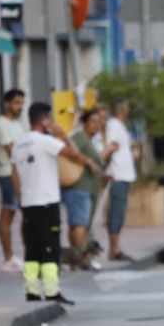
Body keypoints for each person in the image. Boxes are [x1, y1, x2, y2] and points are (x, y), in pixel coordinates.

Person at [12, 102, 97, 304]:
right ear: (45, 120)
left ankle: (31, 291)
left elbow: (13, 175)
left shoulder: (19, 144)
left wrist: (21, 199)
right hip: (47, 202)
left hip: (28, 203)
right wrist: (63, 134)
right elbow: (74, 154)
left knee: (31, 249)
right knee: (50, 247)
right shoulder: (46, 141)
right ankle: (52, 292)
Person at [63, 108, 111, 270]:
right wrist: (88, 162)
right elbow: (68, 151)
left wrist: (102, 175)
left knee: (83, 224)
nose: (96, 125)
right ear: (84, 122)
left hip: (89, 188)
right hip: (78, 188)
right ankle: (78, 259)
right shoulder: (79, 138)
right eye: (93, 122)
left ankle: (80, 258)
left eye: (99, 122)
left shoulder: (89, 141)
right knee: (79, 223)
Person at [0, 89, 26, 272]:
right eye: (16, 103)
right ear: (7, 103)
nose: (19, 107)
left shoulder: (17, 125)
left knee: (20, 213)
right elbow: (12, 150)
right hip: (7, 173)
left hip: (20, 173)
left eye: (21, 103)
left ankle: (18, 255)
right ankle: (8, 257)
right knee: (8, 213)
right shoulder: (1, 124)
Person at [103, 99, 138, 262]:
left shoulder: (120, 125)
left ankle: (116, 247)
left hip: (125, 174)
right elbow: (112, 146)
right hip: (117, 174)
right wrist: (108, 169)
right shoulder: (113, 125)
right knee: (116, 211)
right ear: (122, 109)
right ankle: (114, 249)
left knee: (120, 211)